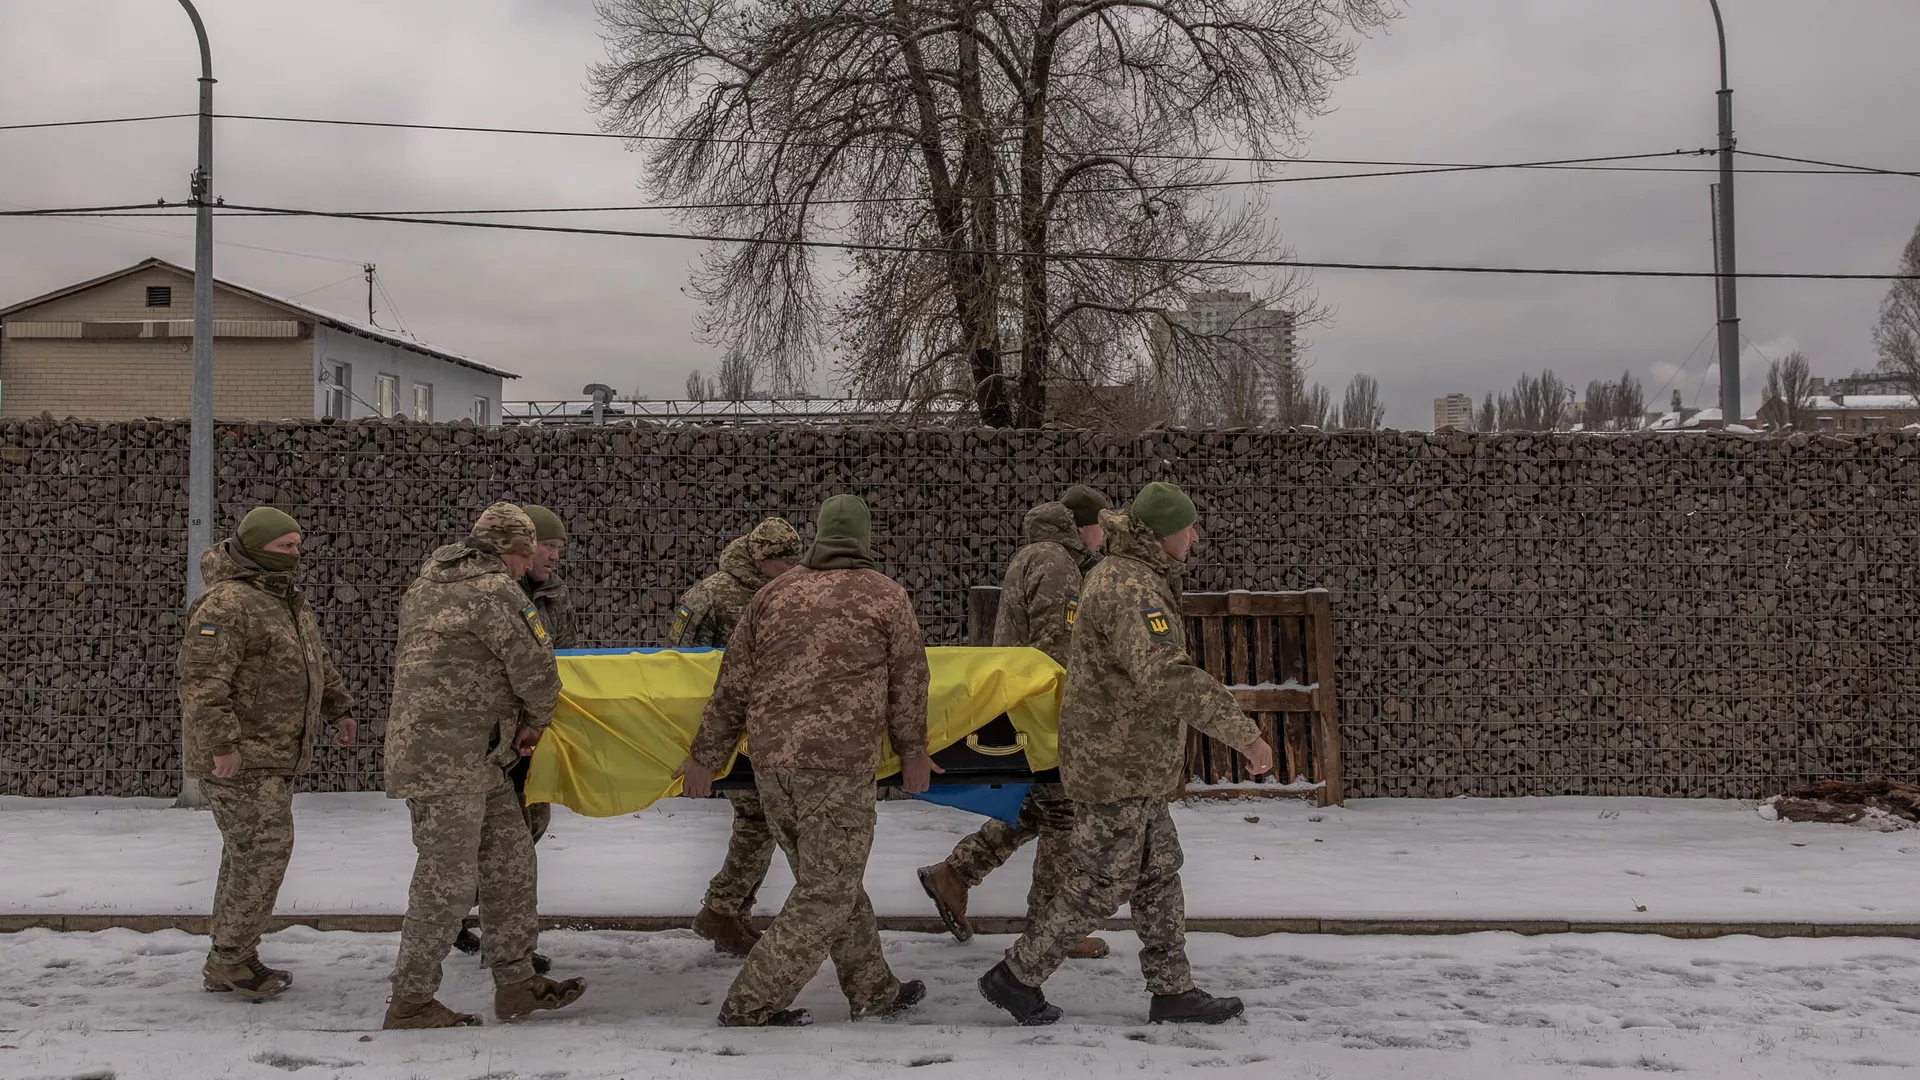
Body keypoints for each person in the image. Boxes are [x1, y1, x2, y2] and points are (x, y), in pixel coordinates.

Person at [978, 483, 1276, 1027]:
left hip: (1133, 761)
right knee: (1102, 882)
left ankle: (1173, 991)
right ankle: (1016, 975)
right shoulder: (1129, 588)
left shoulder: (1133, 576)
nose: (1196, 536)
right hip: (1114, 763)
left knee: (1159, 871)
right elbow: (1165, 673)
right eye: (1189, 527)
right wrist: (1244, 734)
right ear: (1164, 533)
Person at [677, 495, 935, 1028]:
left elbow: (732, 684)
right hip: (837, 767)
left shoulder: (772, 595)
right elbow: (910, 684)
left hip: (772, 765)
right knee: (827, 888)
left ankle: (873, 988)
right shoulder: (885, 597)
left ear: (818, 537)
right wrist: (914, 752)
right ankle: (751, 1002)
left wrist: (706, 756)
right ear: (863, 540)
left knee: (830, 878)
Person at [381, 503, 588, 1029]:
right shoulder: (497, 592)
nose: (527, 568)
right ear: (510, 551)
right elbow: (538, 671)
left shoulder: (428, 583)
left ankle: (515, 982)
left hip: (465, 756)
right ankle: (410, 1001)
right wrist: (536, 722)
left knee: (511, 863)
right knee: (446, 881)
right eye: (525, 556)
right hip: (455, 762)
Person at [919, 485, 1110, 959]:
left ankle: (955, 874)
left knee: (1037, 809)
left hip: (1027, 707)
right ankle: (1051, 930)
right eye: (1101, 525)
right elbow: (1056, 649)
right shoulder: (1056, 563)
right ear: (1083, 525)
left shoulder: (1041, 555)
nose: (1104, 535)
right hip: (1045, 710)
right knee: (1067, 813)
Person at [178, 507, 355, 1001]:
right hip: (241, 758)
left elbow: (313, 661)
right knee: (263, 852)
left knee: (248, 855)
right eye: (285, 547)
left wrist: (339, 708)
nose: (295, 555)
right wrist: (223, 746)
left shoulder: (282, 600)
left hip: (272, 754)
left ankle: (232, 954)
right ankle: (231, 958)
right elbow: (202, 683)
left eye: (298, 546)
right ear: (256, 547)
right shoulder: (226, 604)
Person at [669, 517, 805, 957]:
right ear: (759, 559)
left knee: (762, 817)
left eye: (794, 558)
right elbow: (678, 661)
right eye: (782, 560)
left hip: (767, 724)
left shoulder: (787, 589)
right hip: (724, 724)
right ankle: (723, 910)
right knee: (760, 816)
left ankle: (731, 912)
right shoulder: (711, 594)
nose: (791, 567)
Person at [453, 504, 573, 965]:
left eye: (560, 548)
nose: (554, 557)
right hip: (492, 735)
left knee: (531, 823)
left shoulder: (553, 595)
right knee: (503, 839)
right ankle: (493, 941)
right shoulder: (492, 594)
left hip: (530, 731)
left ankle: (481, 929)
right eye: (548, 546)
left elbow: (561, 658)